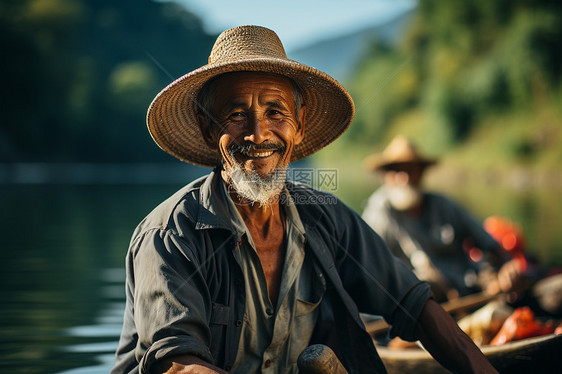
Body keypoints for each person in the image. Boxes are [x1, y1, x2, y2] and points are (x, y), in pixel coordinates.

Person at [111, 26, 499, 374]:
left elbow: (415, 306)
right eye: (235, 115)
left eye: (275, 112)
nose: (258, 134)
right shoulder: (170, 235)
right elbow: (177, 366)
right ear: (208, 129)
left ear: (299, 123)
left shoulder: (325, 220)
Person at [361, 136, 523, 301]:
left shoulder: (443, 206)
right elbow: (368, 265)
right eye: (396, 171)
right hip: (418, 297)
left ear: (422, 173)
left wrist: (507, 267)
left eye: (411, 170)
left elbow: (488, 244)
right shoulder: (380, 212)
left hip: (466, 287)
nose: (404, 178)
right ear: (386, 176)